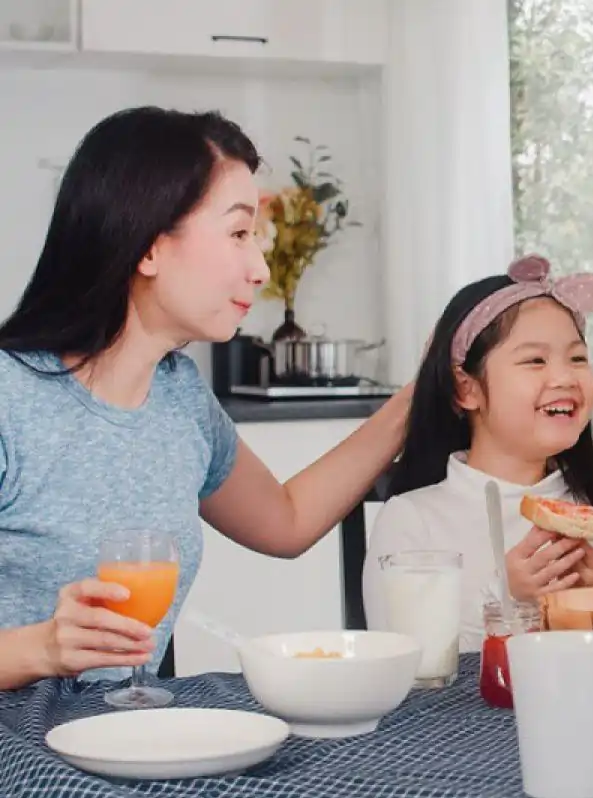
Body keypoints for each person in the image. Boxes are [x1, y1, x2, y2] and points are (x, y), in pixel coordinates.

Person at [0, 106, 412, 692]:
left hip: (125, 731)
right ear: (148, 247)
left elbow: (286, 521)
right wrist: (38, 648)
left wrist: (416, 401)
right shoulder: (11, 399)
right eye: (239, 233)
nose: (259, 268)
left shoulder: (178, 396)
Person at [362, 255, 593, 650]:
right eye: (535, 360)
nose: (565, 377)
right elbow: (403, 669)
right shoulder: (412, 521)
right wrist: (506, 603)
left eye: (577, 358)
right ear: (466, 389)